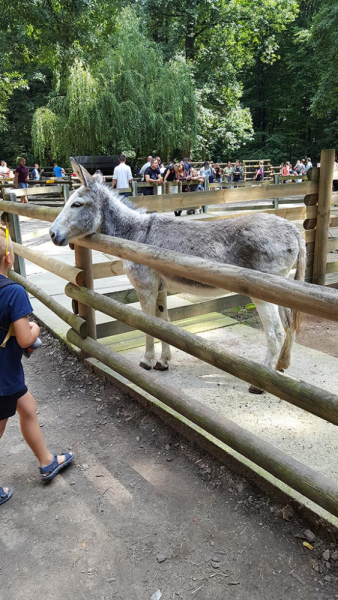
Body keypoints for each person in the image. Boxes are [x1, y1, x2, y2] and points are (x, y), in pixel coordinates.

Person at [0, 226, 74, 505]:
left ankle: (46, 461)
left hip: (7, 377)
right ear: (9, 257)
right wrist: (34, 330)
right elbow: (22, 339)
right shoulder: (13, 292)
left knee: (27, 407)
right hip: (3, 377)